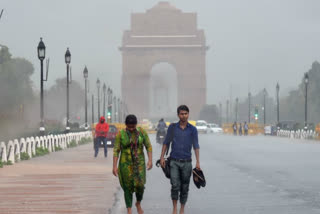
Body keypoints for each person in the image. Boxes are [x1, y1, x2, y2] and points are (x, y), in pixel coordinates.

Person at [160, 105, 200, 214]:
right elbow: (166, 142)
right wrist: (161, 157)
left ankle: (182, 209)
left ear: (188, 114)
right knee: (175, 185)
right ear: (178, 115)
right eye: (182, 114)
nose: (184, 116)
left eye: (186, 113)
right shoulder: (172, 128)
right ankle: (174, 209)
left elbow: (196, 146)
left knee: (185, 186)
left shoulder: (193, 130)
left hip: (187, 162)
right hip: (174, 161)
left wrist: (198, 162)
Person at [113, 115, 153, 214]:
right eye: (129, 127)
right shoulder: (120, 134)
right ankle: (129, 210)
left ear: (136, 124)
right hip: (125, 164)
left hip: (139, 164)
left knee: (140, 186)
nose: (131, 129)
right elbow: (116, 150)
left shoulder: (142, 132)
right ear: (125, 125)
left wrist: (150, 160)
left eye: (133, 126)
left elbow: (148, 146)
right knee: (128, 187)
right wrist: (114, 166)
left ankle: (138, 203)